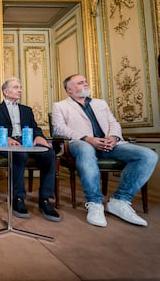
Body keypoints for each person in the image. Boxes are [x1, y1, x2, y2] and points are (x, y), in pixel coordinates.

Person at [52, 74, 158, 227]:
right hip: (80, 143)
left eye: (85, 81)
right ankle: (95, 203)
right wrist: (88, 138)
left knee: (148, 155)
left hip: (109, 145)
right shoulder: (60, 106)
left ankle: (120, 200)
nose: (86, 84)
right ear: (69, 89)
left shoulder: (100, 103)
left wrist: (113, 137)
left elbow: (113, 123)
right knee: (86, 149)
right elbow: (59, 129)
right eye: (80, 82)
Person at [0, 77, 60, 222]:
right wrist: (6, 138)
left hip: (28, 140)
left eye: (20, 87)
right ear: (6, 91)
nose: (20, 90)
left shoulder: (26, 110)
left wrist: (39, 137)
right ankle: (18, 198)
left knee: (49, 154)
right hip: (7, 142)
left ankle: (45, 199)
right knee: (19, 155)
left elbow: (35, 127)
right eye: (16, 87)